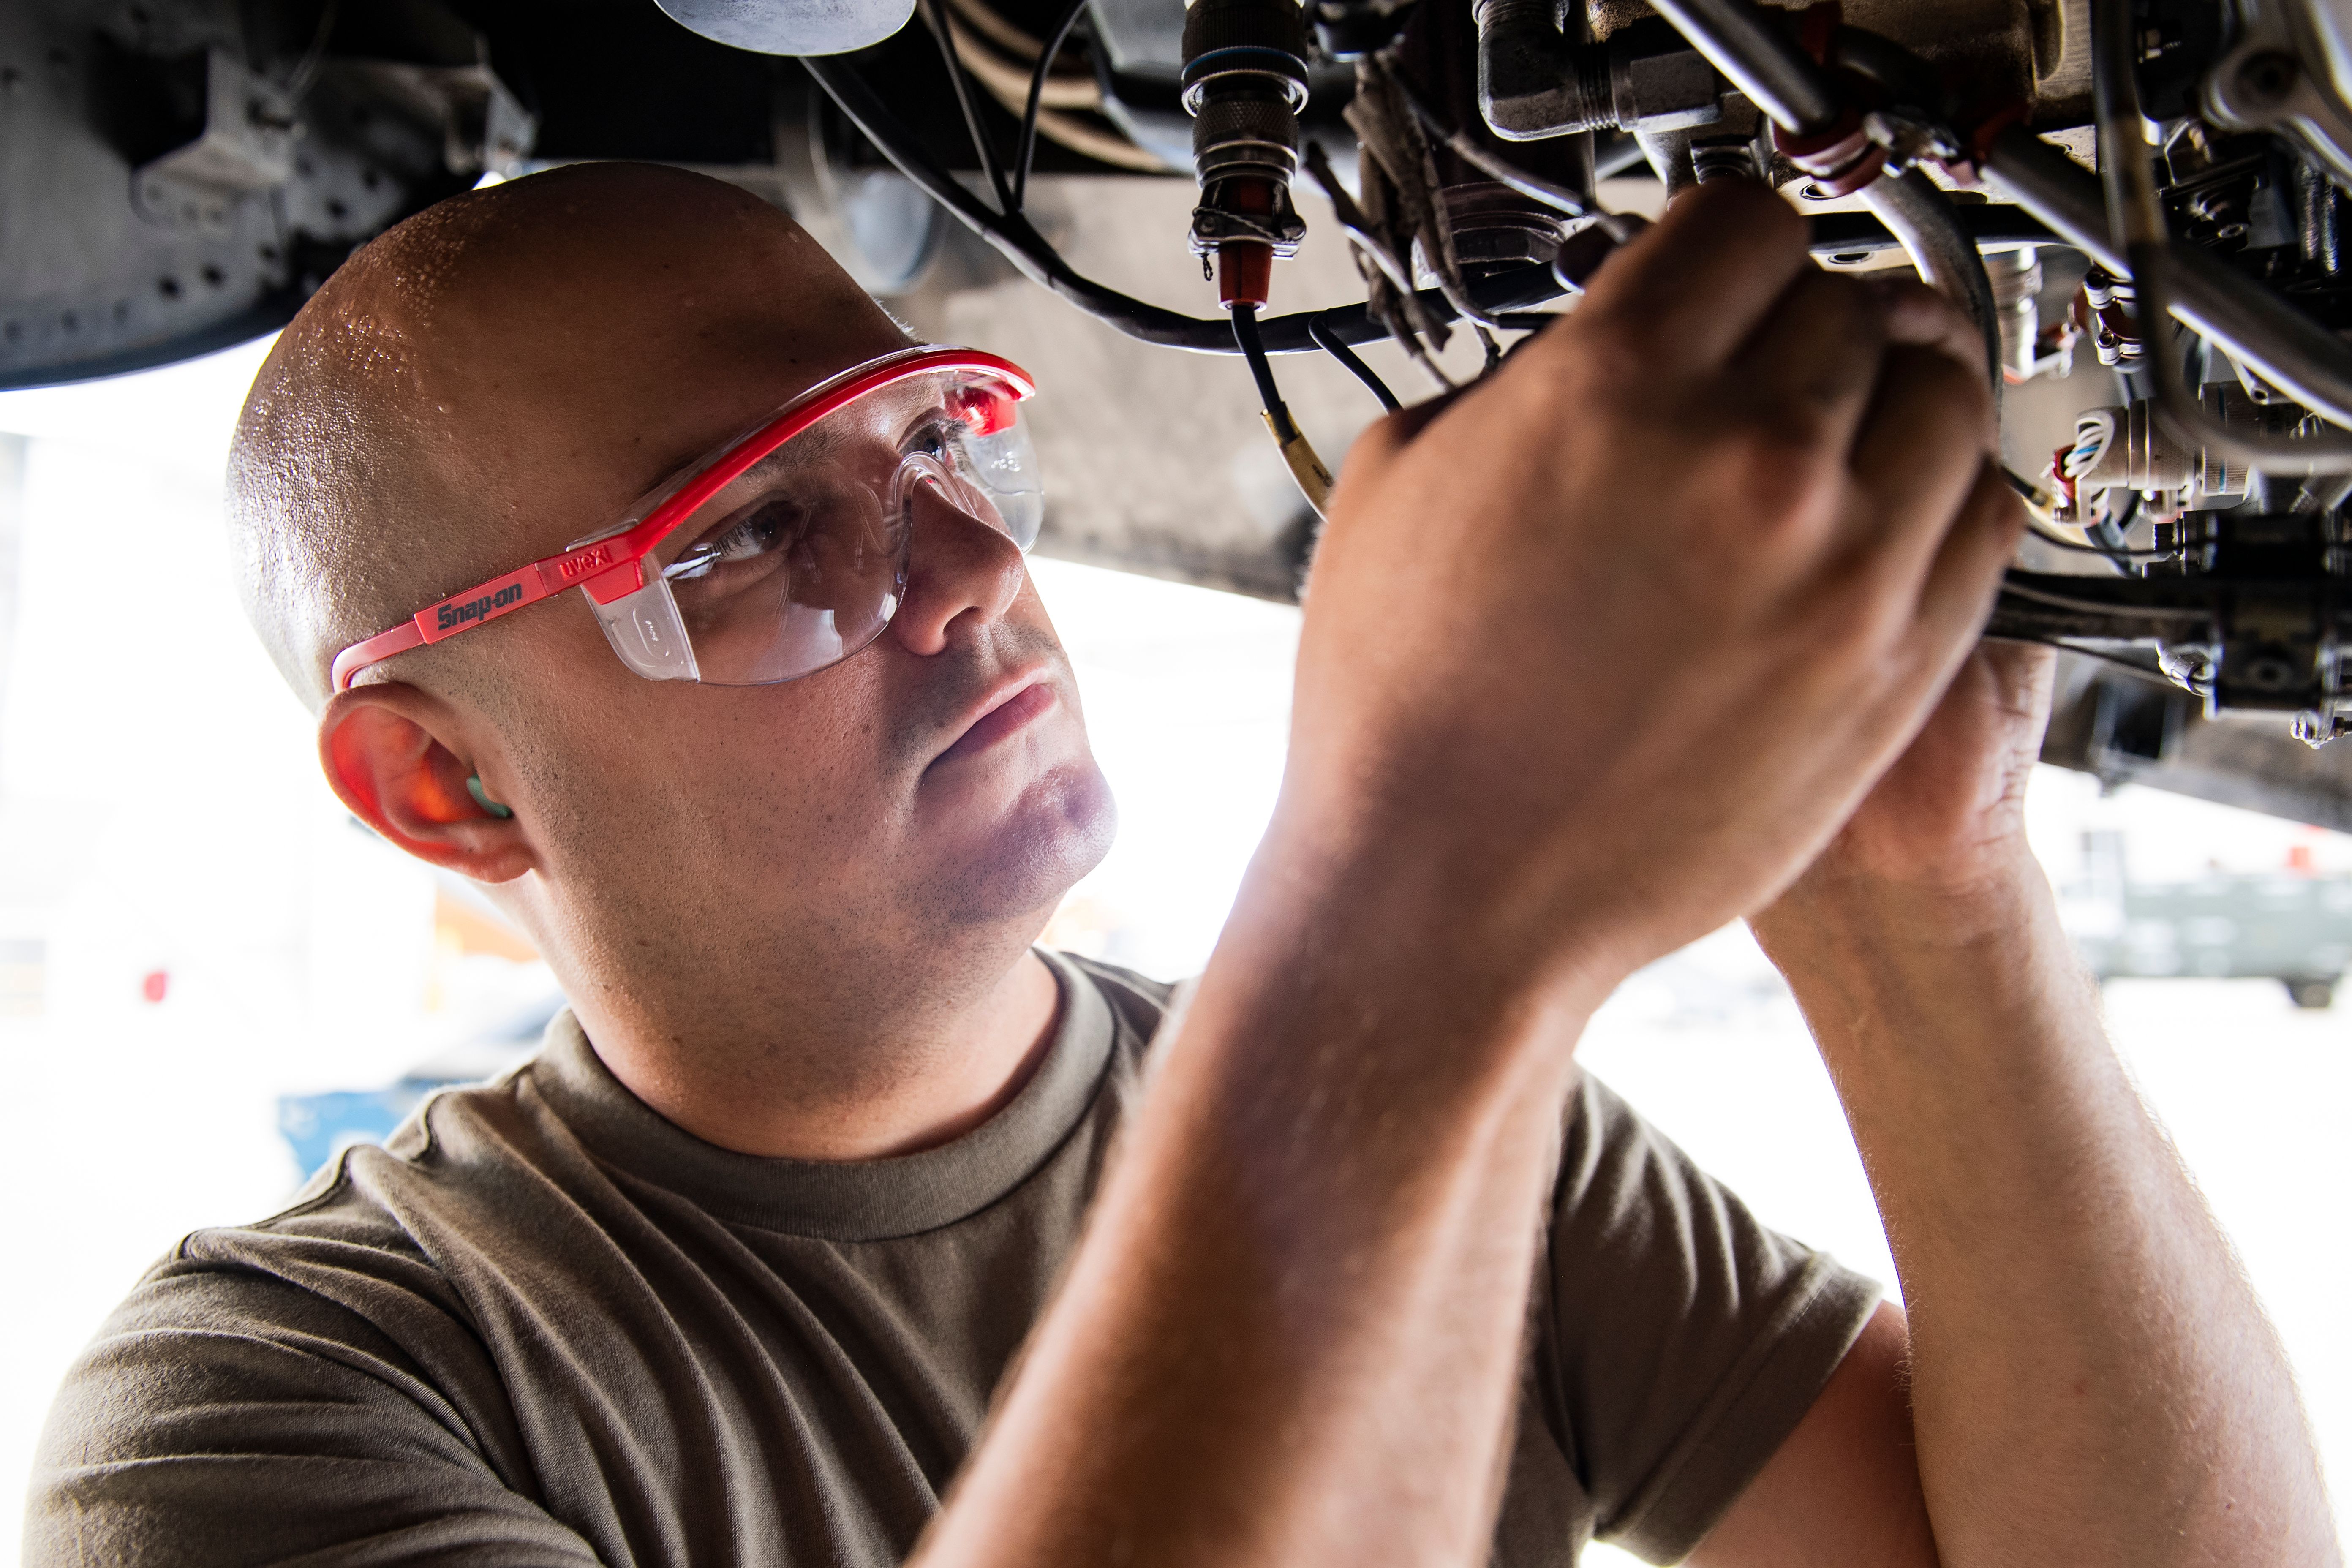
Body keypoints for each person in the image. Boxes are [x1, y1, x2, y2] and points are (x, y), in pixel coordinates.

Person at [27, 161, 2334, 1568]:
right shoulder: (269, 1419)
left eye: (937, 438)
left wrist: (1924, 886)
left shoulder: (1438, 1113)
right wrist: (1422, 897)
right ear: (447, 788)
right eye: (747, 534)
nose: (965, 569)